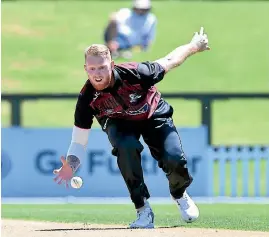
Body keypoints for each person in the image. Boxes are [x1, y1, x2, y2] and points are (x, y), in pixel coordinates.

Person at [53, 27, 210, 229]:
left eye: (102, 67)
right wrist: (71, 165)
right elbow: (79, 141)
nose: (97, 74)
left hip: (153, 113)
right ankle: (142, 209)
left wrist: (194, 46)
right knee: (125, 146)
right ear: (85, 69)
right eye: (92, 69)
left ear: (111, 63)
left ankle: (179, 193)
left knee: (174, 158)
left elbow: (170, 61)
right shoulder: (86, 99)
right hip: (119, 122)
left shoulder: (137, 72)